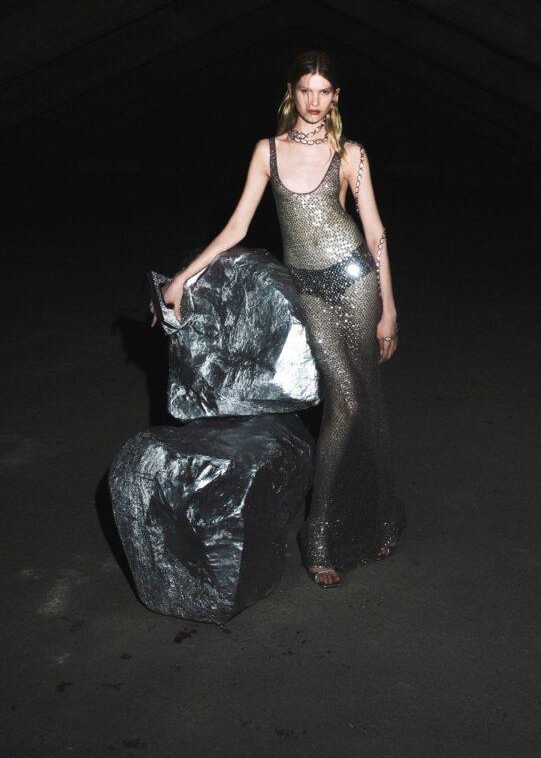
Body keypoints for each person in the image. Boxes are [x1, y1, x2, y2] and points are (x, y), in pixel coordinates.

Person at [150, 50, 406, 587]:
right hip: (309, 292)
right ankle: (321, 534)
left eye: (324, 91)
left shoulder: (351, 154)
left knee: (365, 401)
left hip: (356, 280)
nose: (315, 101)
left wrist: (389, 307)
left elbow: (375, 231)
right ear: (292, 92)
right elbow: (237, 227)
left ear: (336, 97)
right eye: (306, 90)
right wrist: (182, 278)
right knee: (346, 402)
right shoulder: (267, 151)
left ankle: (376, 517)